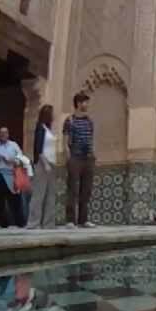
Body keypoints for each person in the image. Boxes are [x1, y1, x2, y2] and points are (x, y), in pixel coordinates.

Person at [63, 91, 97, 228]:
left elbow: (90, 139)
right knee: (72, 189)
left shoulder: (89, 121)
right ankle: (70, 220)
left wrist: (93, 154)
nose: (87, 104)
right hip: (75, 157)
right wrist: (68, 156)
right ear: (78, 103)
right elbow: (65, 140)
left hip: (88, 158)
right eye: (85, 102)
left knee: (86, 189)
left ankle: (83, 220)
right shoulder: (69, 120)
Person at [0, 126, 26, 228]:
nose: (3, 135)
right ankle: (3, 222)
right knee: (0, 200)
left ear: (8, 134)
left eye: (5, 133)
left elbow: (21, 159)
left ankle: (19, 221)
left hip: (12, 174)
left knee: (15, 199)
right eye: (1, 133)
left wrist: (11, 160)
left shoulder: (14, 146)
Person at [27, 105, 59, 229]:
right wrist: (45, 164)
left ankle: (48, 223)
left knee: (50, 195)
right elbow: (38, 148)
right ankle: (33, 222)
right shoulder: (40, 128)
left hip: (51, 163)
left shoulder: (48, 130)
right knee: (39, 194)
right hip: (43, 163)